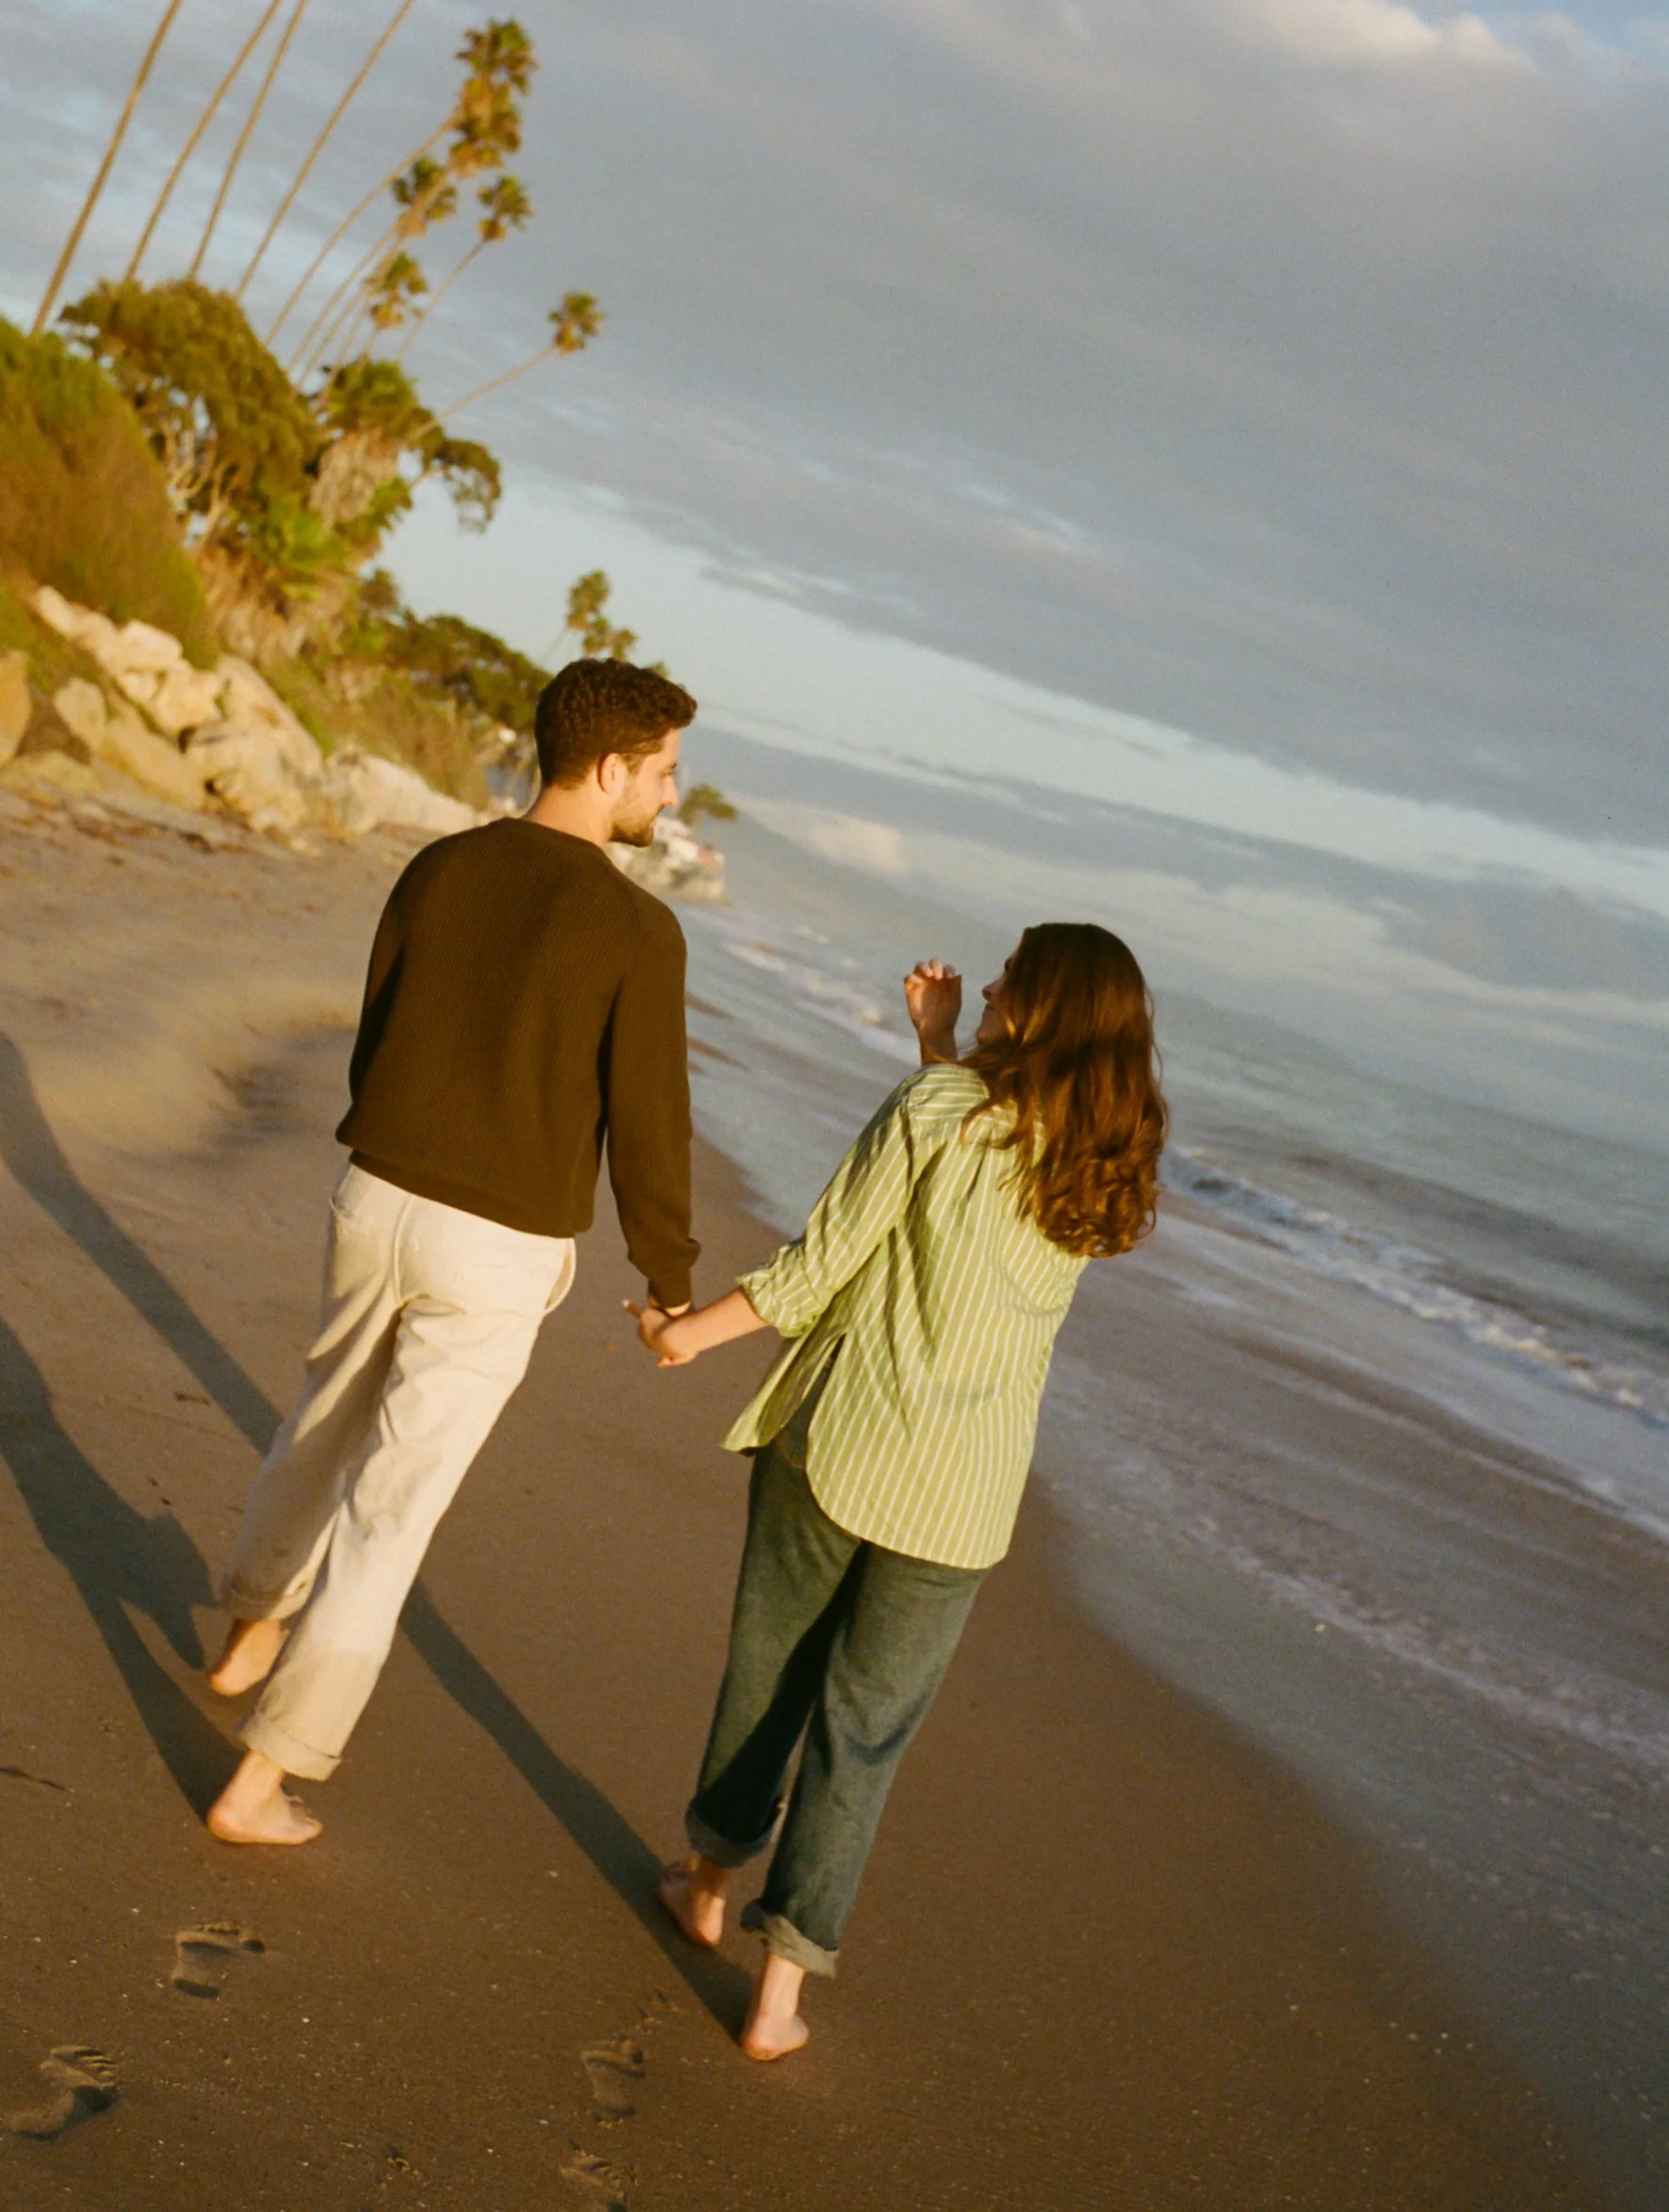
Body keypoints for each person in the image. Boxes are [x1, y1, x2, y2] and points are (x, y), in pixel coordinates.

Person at [634, 922, 1166, 2059]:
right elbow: (970, 1185)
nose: (994, 981)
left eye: (1014, 975)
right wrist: (940, 1042)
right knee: (862, 1738)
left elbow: (819, 1265)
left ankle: (707, 1887)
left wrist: (685, 1335)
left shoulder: (940, 1110)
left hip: (843, 1447)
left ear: (1044, 1007)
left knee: (771, 1676)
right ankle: (779, 2000)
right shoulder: (1096, 1165)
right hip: (962, 1502)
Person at [203, 657, 701, 1846]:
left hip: (376, 1191)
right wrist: (670, 1278)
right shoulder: (640, 928)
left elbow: (379, 1027)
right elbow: (649, 1123)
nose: (671, 795)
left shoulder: (441, 864)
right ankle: (262, 1778)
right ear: (609, 766)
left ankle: (247, 1637)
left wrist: (390, 1141)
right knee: (392, 1514)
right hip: (496, 1246)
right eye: (665, 771)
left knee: (321, 1419)